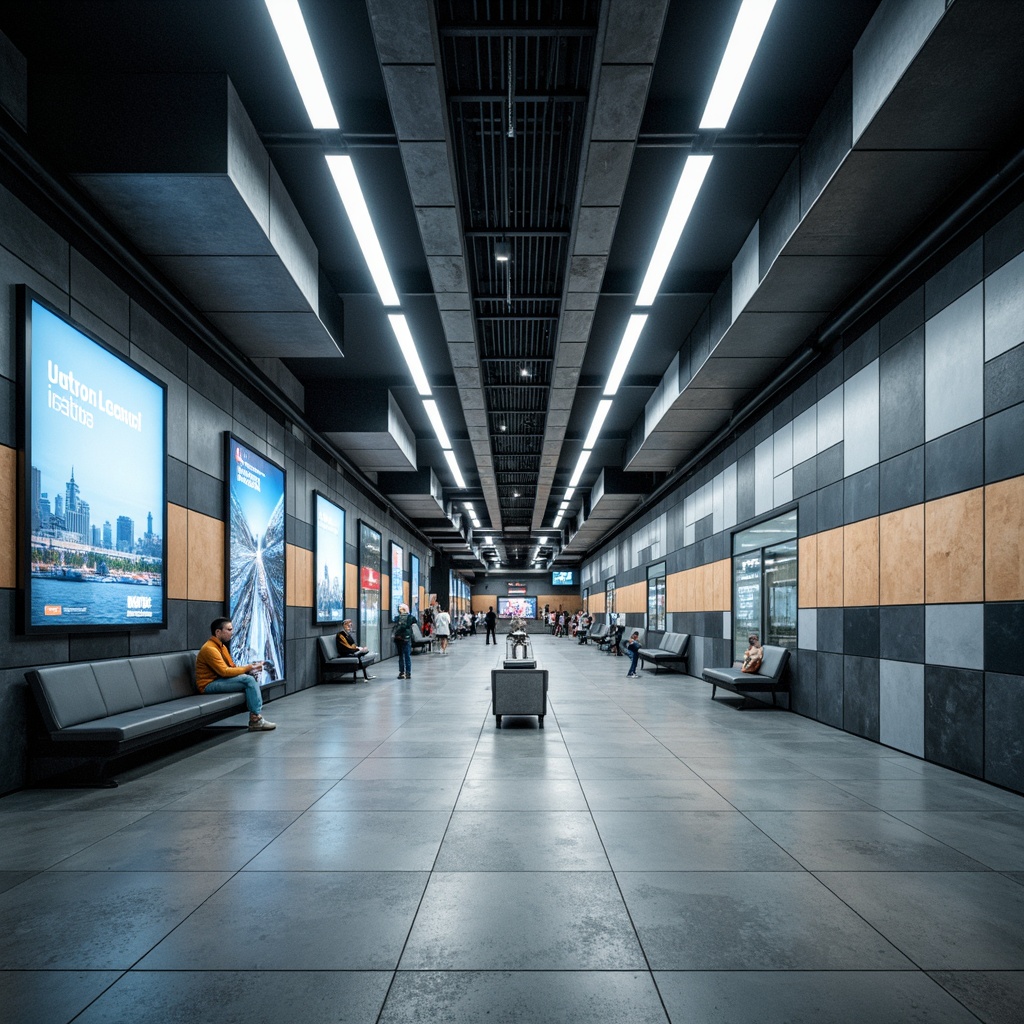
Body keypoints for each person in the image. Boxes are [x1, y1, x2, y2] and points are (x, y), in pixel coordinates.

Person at [195, 617, 275, 731]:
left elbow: (231, 667)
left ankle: (255, 717)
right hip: (208, 685)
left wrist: (249, 669)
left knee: (248, 678)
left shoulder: (221, 647)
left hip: (219, 680)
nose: (231, 633)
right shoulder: (209, 649)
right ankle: (255, 719)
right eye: (229, 629)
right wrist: (248, 668)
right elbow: (224, 671)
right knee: (249, 681)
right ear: (218, 632)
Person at [392, 602, 417, 679]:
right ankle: (408, 673)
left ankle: (401, 673)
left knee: (401, 656)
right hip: (407, 638)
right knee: (407, 656)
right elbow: (414, 622)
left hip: (399, 638)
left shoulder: (397, 618)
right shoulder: (411, 617)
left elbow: (395, 624)